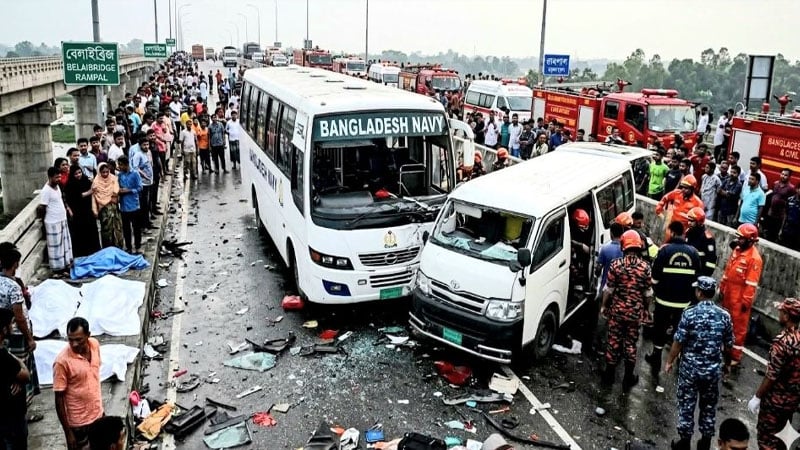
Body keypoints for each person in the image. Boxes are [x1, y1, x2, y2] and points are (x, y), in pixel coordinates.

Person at [665, 276, 733, 450]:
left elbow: (678, 341)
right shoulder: (724, 316)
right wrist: (727, 365)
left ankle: (684, 442)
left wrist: (670, 361)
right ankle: (705, 441)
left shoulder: (689, 313)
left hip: (690, 370)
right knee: (709, 406)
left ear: (699, 292)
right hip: (711, 371)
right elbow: (728, 345)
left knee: (687, 404)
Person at [646, 221, 701, 374]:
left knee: (659, 329)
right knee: (680, 331)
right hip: (684, 302)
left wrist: (659, 292)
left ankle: (656, 359)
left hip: (663, 301)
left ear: (671, 232)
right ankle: (678, 361)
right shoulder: (693, 253)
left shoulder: (664, 251)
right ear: (683, 233)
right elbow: (697, 279)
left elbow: (654, 278)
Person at [600, 230, 653, 388]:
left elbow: (608, 290)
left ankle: (609, 376)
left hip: (617, 311)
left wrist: (604, 306)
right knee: (630, 343)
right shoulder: (645, 267)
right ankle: (628, 378)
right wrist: (646, 309)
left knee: (613, 341)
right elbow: (648, 293)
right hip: (635, 313)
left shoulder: (617, 265)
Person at [748, 297, 800, 450]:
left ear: (787, 316)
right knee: (783, 438)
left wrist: (757, 396)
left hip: (774, 403)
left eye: (781, 312)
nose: (779, 314)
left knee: (767, 441)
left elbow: (771, 375)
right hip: (792, 402)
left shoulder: (782, 342)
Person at [54, 317, 104, 450]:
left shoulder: (94, 345)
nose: (74, 344)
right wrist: (68, 433)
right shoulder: (62, 362)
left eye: (78, 340)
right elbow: (59, 399)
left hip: (98, 415)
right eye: (70, 339)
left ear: (88, 335)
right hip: (79, 425)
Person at [719, 223, 763, 366]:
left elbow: (751, 284)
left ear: (750, 241)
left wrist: (746, 302)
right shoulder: (737, 250)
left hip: (740, 299)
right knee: (725, 322)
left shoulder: (754, 259)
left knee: (738, 328)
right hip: (729, 294)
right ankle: (723, 348)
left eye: (741, 239)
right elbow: (728, 270)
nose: (738, 241)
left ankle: (735, 357)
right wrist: (722, 287)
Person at [0, 308, 29, 449]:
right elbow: (25, 374)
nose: (13, 327)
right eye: (11, 324)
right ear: (4, 329)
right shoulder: (4, 358)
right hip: (11, 419)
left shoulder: (4, 354)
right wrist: (19, 363)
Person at [38, 167, 73, 277]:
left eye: (60, 177)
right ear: (50, 177)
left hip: (62, 220)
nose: (59, 179)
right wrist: (43, 223)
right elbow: (42, 207)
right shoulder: (46, 191)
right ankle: (57, 270)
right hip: (52, 222)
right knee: (56, 247)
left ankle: (65, 266)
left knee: (64, 245)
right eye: (56, 177)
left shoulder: (57, 187)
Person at [64, 165, 101, 258]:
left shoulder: (86, 180)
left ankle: (93, 252)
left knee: (91, 231)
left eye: (79, 172)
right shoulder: (70, 185)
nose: (78, 175)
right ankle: (82, 253)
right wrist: (90, 191)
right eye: (75, 173)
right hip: (78, 213)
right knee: (80, 234)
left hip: (88, 211)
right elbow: (76, 197)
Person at [656, 175, 704, 242]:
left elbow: (700, 219)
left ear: (692, 189)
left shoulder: (698, 203)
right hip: (672, 228)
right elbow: (665, 198)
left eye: (686, 188)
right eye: (682, 187)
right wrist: (659, 210)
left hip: (684, 232)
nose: (683, 190)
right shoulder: (676, 193)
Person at [91, 163, 123, 249]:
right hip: (103, 210)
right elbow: (94, 197)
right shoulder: (96, 182)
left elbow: (116, 190)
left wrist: (115, 195)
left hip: (114, 207)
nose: (105, 174)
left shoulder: (113, 179)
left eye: (107, 172)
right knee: (106, 230)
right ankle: (107, 250)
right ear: (99, 172)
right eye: (103, 172)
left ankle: (118, 248)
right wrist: (95, 210)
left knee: (117, 228)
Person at [116, 156, 143, 254]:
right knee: (126, 229)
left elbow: (140, 188)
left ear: (126, 164)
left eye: (121, 164)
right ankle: (128, 247)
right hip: (123, 206)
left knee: (136, 228)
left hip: (134, 205)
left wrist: (129, 190)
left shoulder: (135, 174)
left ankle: (138, 246)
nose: (119, 166)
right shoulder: (120, 175)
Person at [684, 207, 718, 277]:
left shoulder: (707, 239)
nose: (689, 223)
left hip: (698, 273)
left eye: (692, 221)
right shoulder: (688, 232)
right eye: (688, 220)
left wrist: (703, 276)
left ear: (699, 222)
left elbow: (711, 262)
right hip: (686, 270)